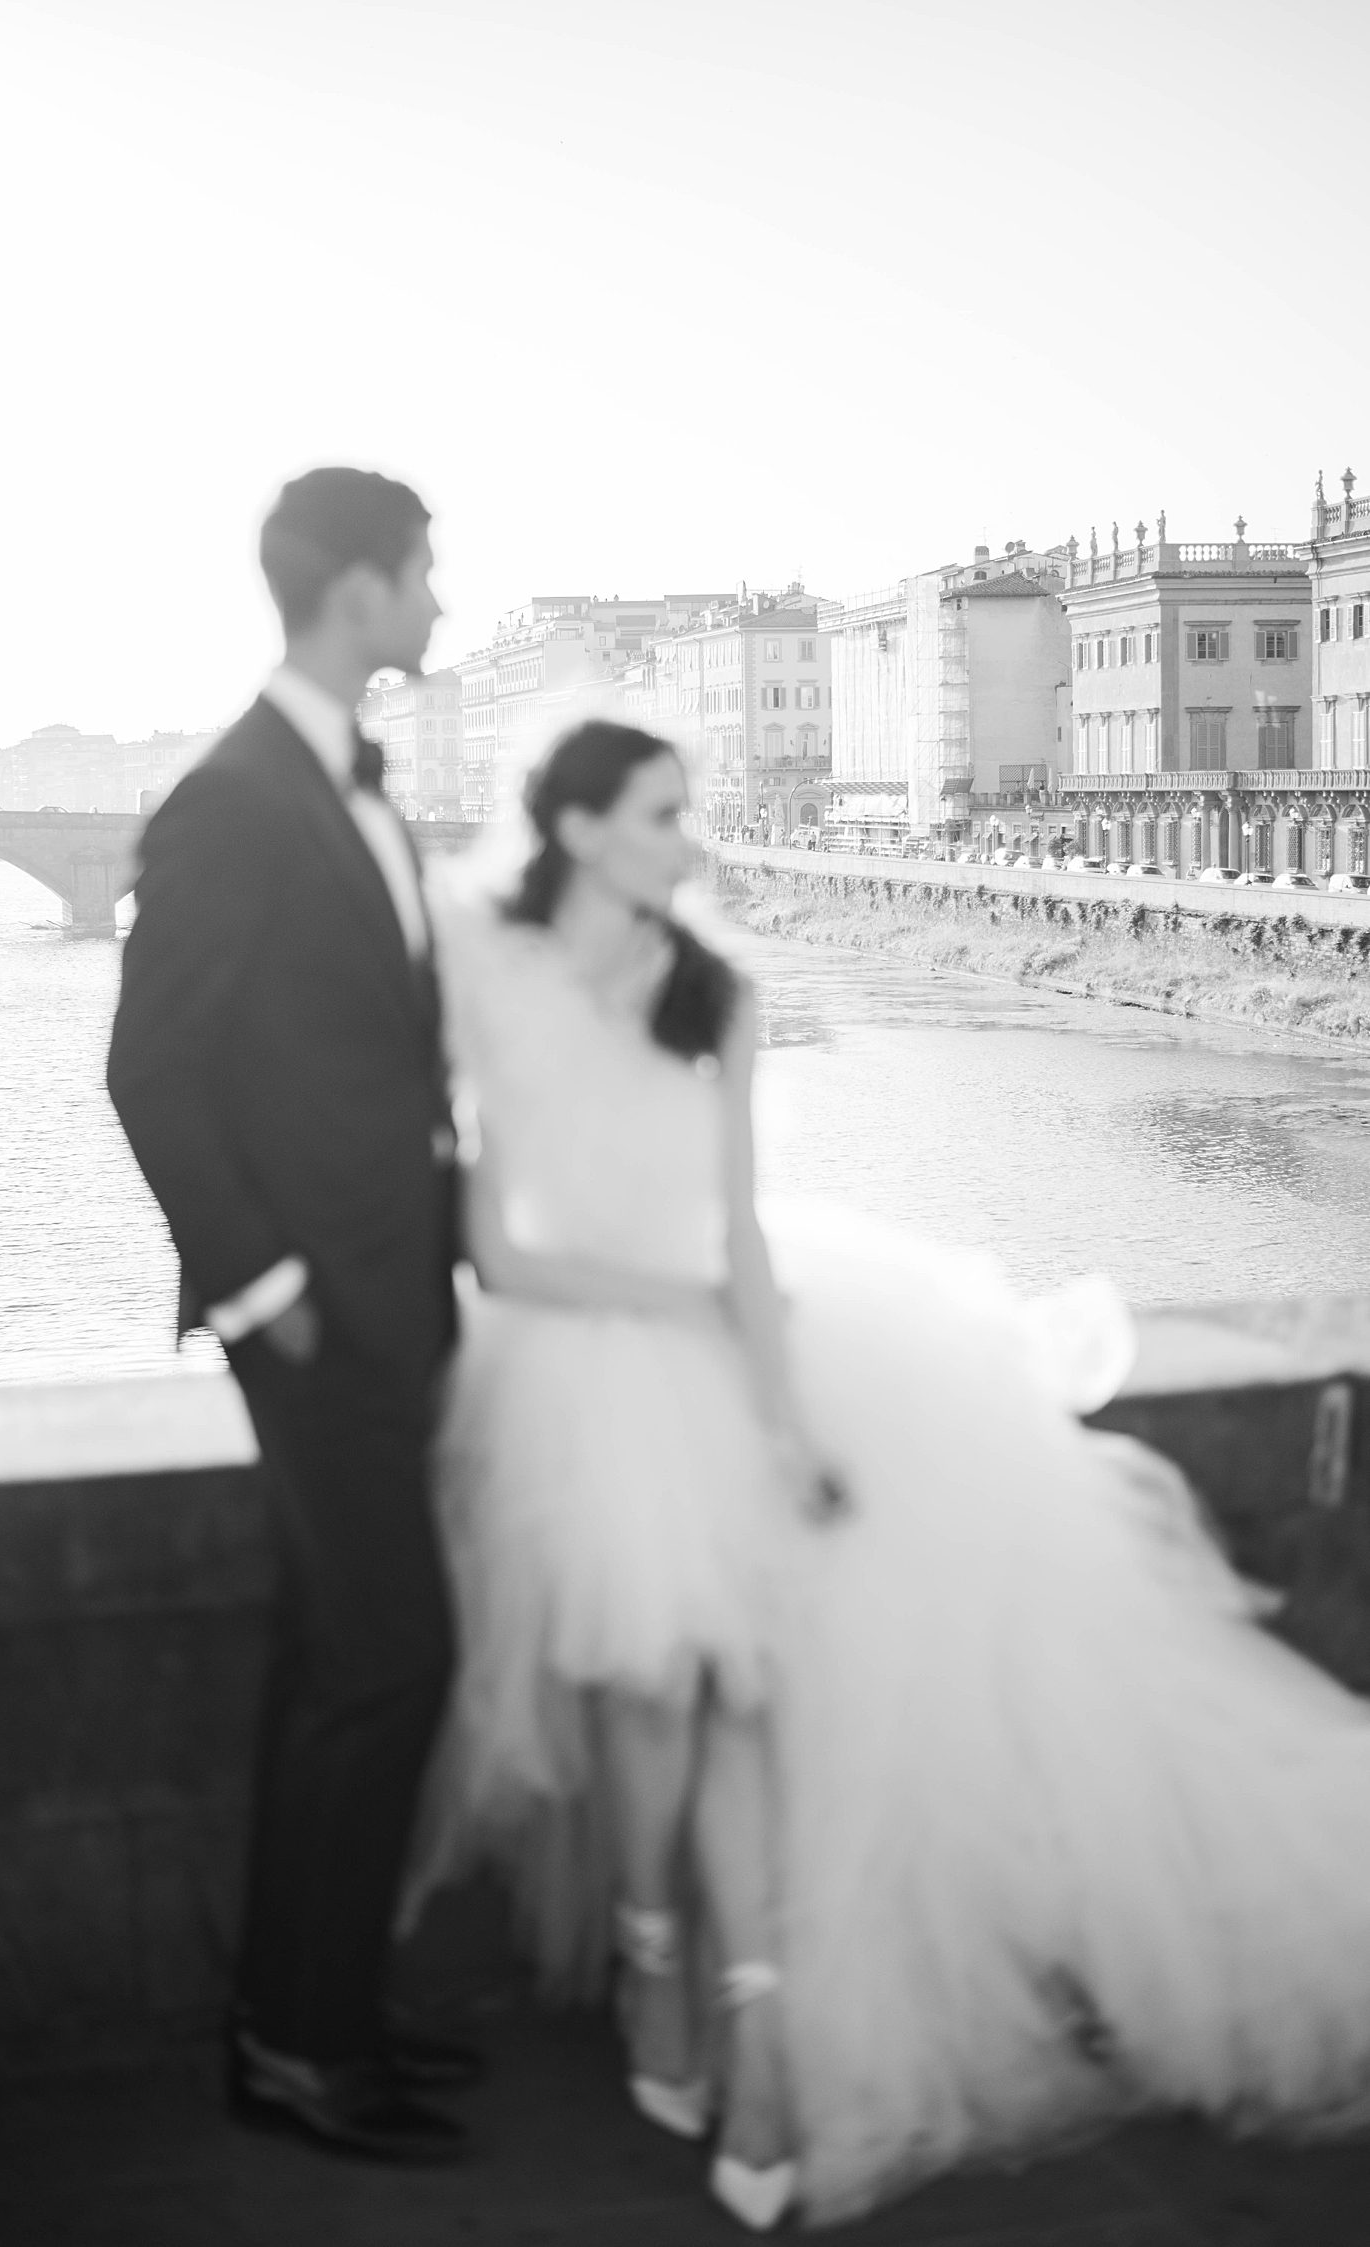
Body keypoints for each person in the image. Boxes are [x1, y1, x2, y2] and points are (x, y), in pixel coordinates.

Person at [415, 717, 1370, 2231]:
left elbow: (739, 1231)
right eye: (663, 812)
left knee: (737, 1686)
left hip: (736, 1343)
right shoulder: (484, 969)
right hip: (578, 1360)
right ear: (583, 829)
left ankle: (754, 2027)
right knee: (647, 1684)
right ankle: (659, 1965)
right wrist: (697, 1318)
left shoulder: (719, 988)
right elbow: (498, 1250)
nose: (692, 838)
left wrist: (784, 1423)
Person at [107, 467, 477, 2165]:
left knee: (345, 1665)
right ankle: (303, 2044)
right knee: (394, 1658)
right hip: (319, 1319)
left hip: (394, 1303)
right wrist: (275, 1294)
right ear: (356, 592)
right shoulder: (235, 800)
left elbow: (387, 1074)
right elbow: (153, 1074)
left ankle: (306, 2020)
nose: (441, 604)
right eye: (425, 574)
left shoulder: (349, 791)